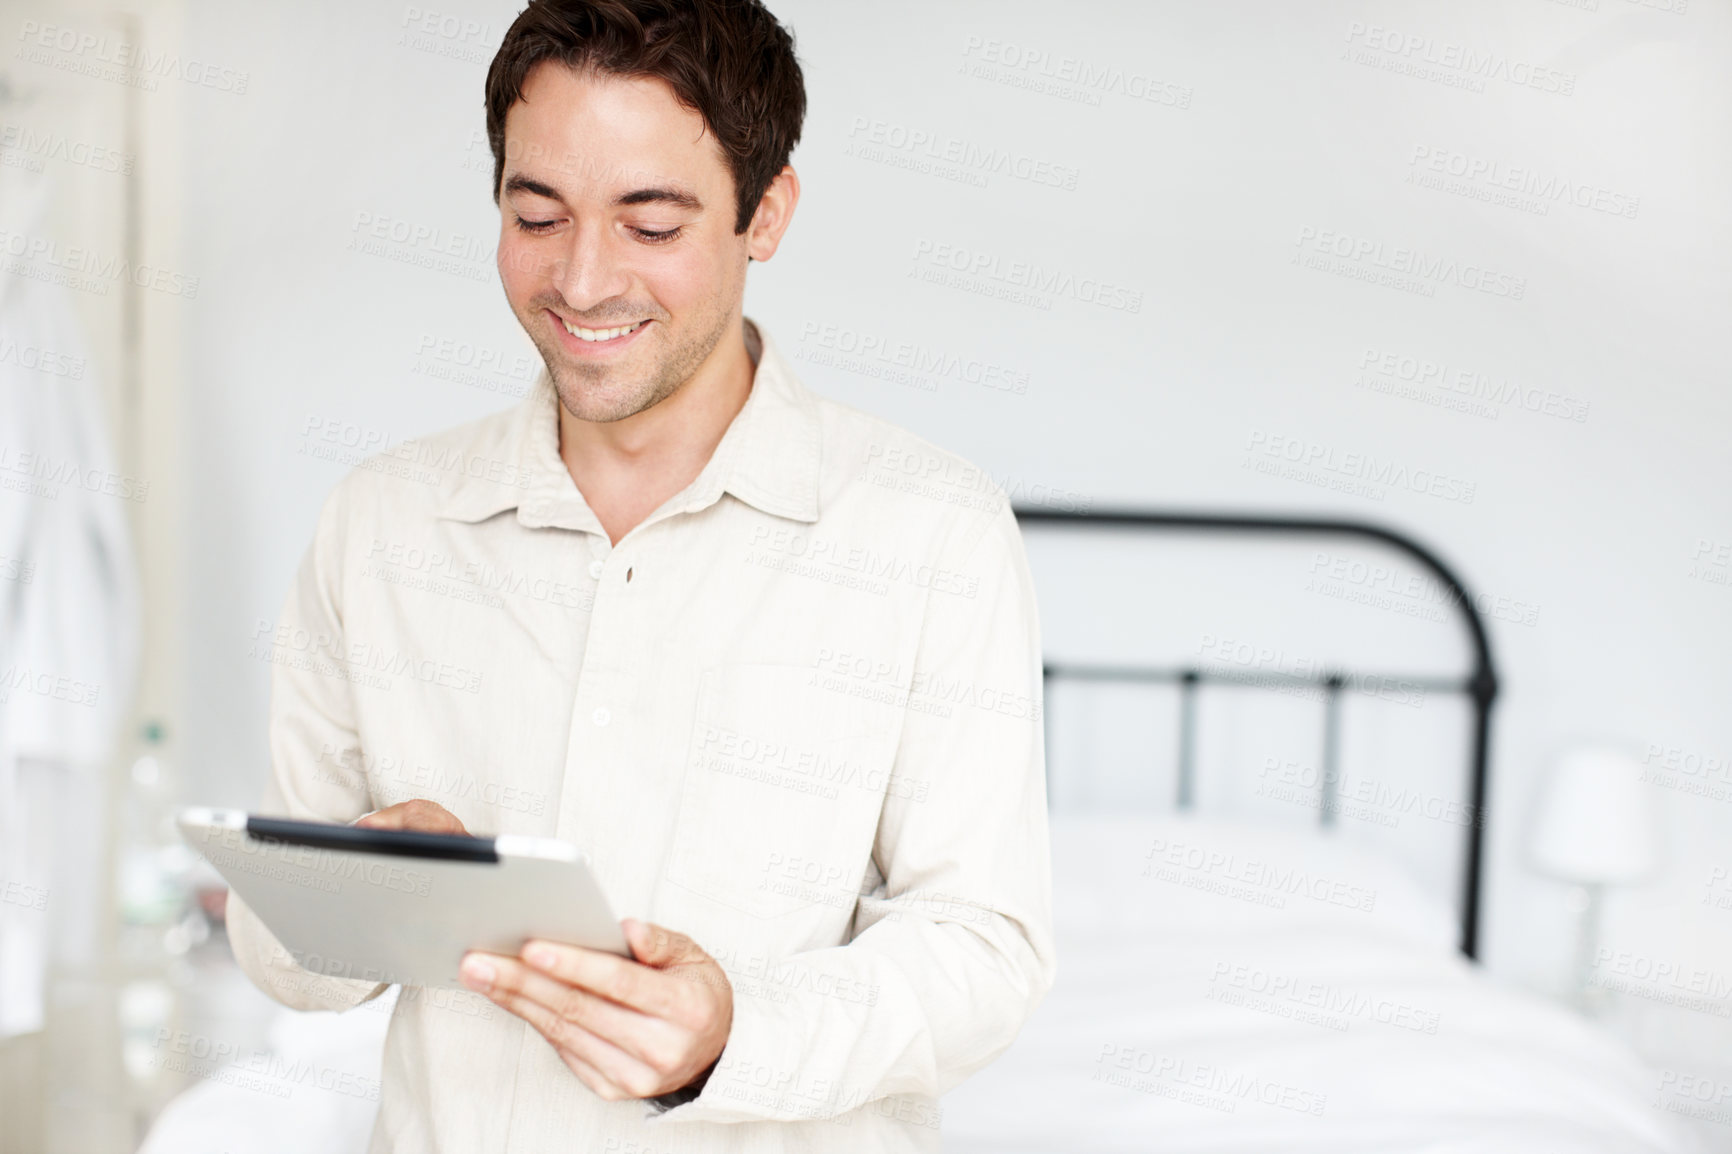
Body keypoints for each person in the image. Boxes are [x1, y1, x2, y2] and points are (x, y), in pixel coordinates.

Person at [224, 0, 1055, 1148]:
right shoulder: (383, 522)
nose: (580, 278)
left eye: (650, 223)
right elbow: (278, 954)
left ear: (765, 213)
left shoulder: (930, 532)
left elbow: (982, 942)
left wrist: (734, 1031)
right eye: (536, 213)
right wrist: (364, 887)